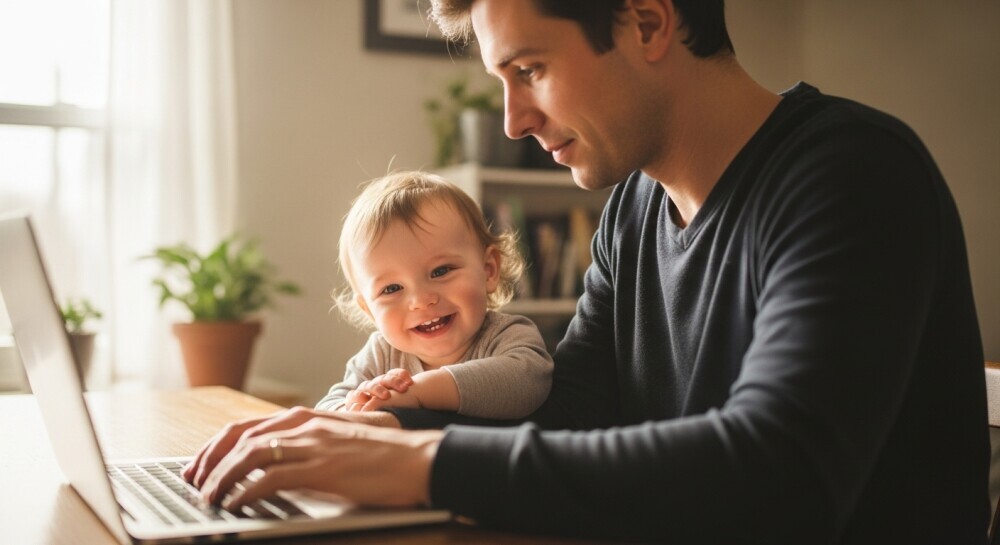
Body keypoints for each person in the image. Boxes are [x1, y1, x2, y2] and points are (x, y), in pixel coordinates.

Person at [184, 1, 989, 542]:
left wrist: (418, 462)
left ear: (646, 20)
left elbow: (783, 472)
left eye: (528, 69)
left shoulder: (850, 174)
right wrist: (374, 427)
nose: (514, 119)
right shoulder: (634, 212)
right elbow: (567, 413)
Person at [313, 171, 552, 418]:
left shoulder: (506, 335)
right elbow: (328, 406)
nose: (421, 300)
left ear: (488, 270)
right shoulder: (380, 355)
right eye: (392, 289)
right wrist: (353, 405)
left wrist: (419, 392)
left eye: (441, 271)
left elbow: (527, 383)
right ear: (369, 309)